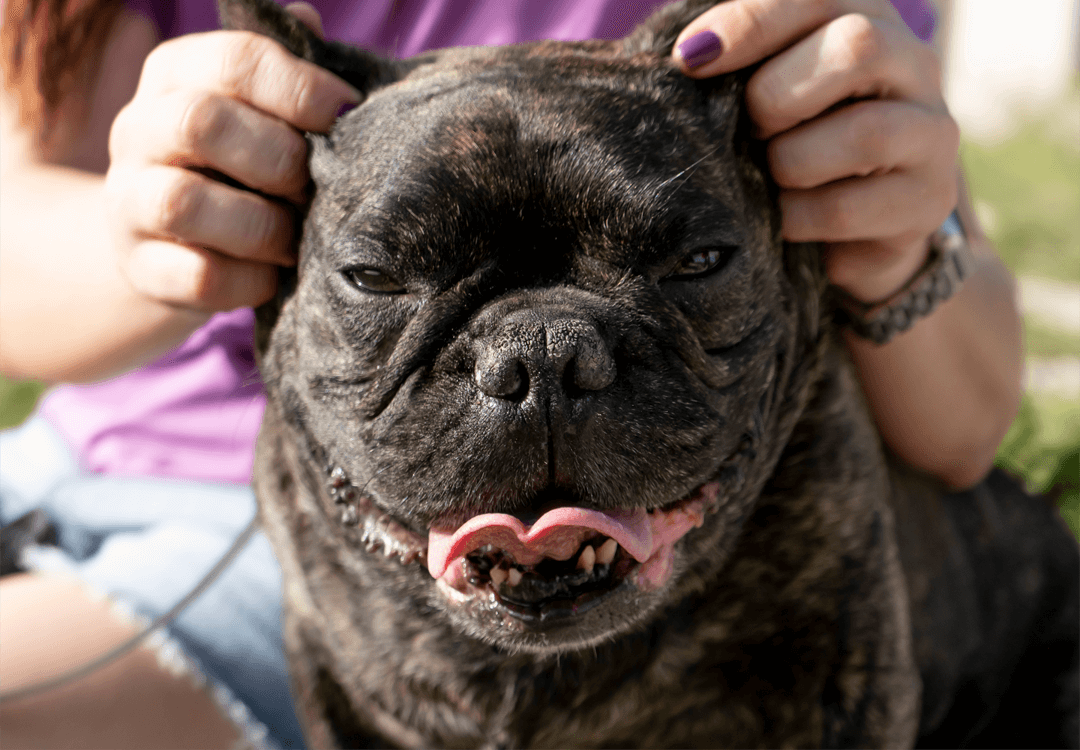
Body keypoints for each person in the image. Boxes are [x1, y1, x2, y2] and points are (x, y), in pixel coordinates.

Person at [0, 0, 1022, 746]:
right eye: (380, 275)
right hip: (61, 455)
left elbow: (968, 426)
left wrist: (895, 238)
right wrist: (151, 226)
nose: (542, 368)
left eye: (691, 262)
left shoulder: (779, 37)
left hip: (229, 553)